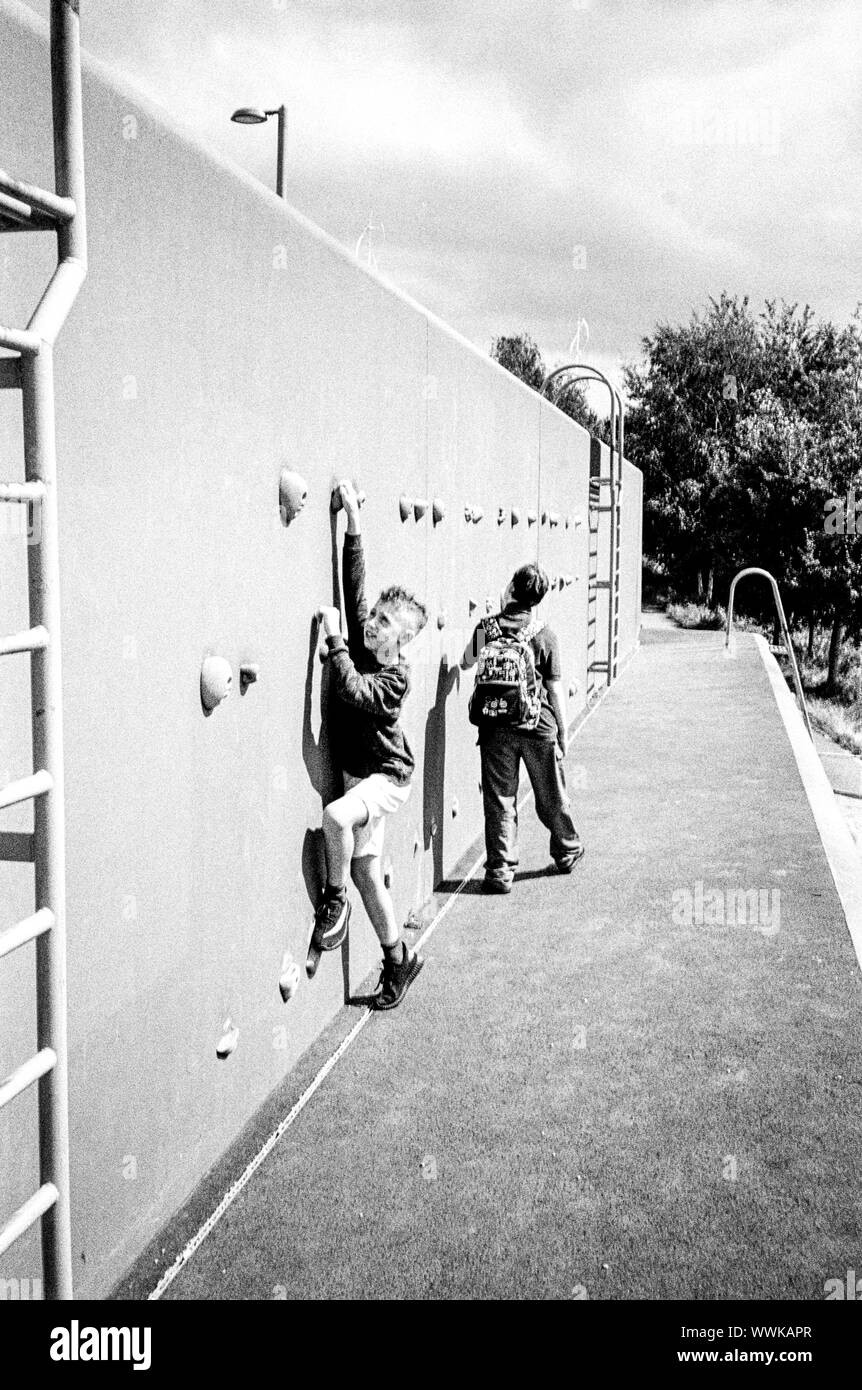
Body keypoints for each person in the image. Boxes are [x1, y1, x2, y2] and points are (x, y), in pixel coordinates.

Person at [314, 480, 427, 1009]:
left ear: (399, 642)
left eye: (384, 624)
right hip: (362, 777)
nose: (373, 624)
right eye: (377, 618)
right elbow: (354, 586)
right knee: (364, 870)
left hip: (387, 779)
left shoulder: (395, 679)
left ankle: (332, 906)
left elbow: (354, 691)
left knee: (336, 819)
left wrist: (335, 640)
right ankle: (398, 958)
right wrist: (354, 519)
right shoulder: (367, 636)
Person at [464, 563, 584, 893]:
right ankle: (567, 850)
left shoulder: (486, 627)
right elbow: (555, 689)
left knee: (501, 801)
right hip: (537, 725)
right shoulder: (545, 634)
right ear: (538, 599)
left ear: (512, 589)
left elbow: (465, 661)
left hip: (495, 726)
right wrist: (562, 731)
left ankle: (500, 871)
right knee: (550, 794)